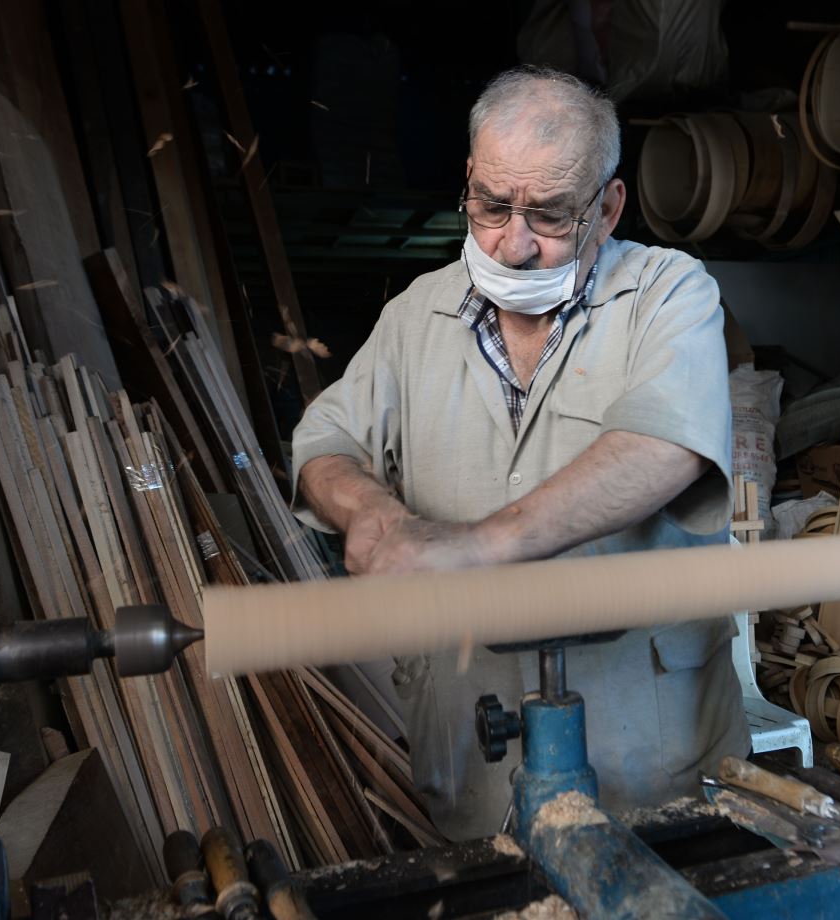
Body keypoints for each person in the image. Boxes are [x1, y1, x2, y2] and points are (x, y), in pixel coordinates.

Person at [291, 65, 750, 840]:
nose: (513, 243)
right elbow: (325, 441)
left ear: (606, 208)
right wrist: (373, 512)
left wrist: (474, 547)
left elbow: (666, 445)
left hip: (652, 767)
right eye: (492, 205)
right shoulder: (414, 316)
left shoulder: (670, 293)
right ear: (468, 179)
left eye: (548, 214)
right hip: (470, 765)